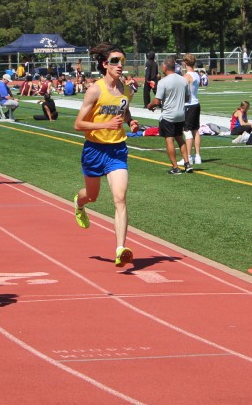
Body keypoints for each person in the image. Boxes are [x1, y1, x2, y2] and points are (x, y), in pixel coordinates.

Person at [72, 44, 140, 267]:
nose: (119, 65)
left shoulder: (126, 90)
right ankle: (79, 203)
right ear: (105, 64)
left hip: (117, 150)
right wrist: (106, 124)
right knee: (92, 196)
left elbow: (124, 110)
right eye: (115, 61)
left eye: (122, 61)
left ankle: (120, 249)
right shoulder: (95, 90)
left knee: (120, 198)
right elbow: (78, 124)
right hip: (94, 150)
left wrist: (130, 121)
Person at [147, 57, 190, 173]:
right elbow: (187, 98)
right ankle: (187, 163)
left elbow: (157, 101)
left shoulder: (163, 82)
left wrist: (149, 105)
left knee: (169, 140)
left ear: (165, 67)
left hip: (168, 115)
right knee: (180, 138)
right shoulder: (183, 80)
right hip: (181, 114)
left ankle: (175, 167)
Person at [182, 54, 202, 166]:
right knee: (196, 130)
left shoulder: (187, 76)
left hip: (188, 105)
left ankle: (188, 156)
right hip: (196, 103)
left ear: (185, 63)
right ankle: (197, 156)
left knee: (187, 130)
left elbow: (184, 92)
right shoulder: (197, 75)